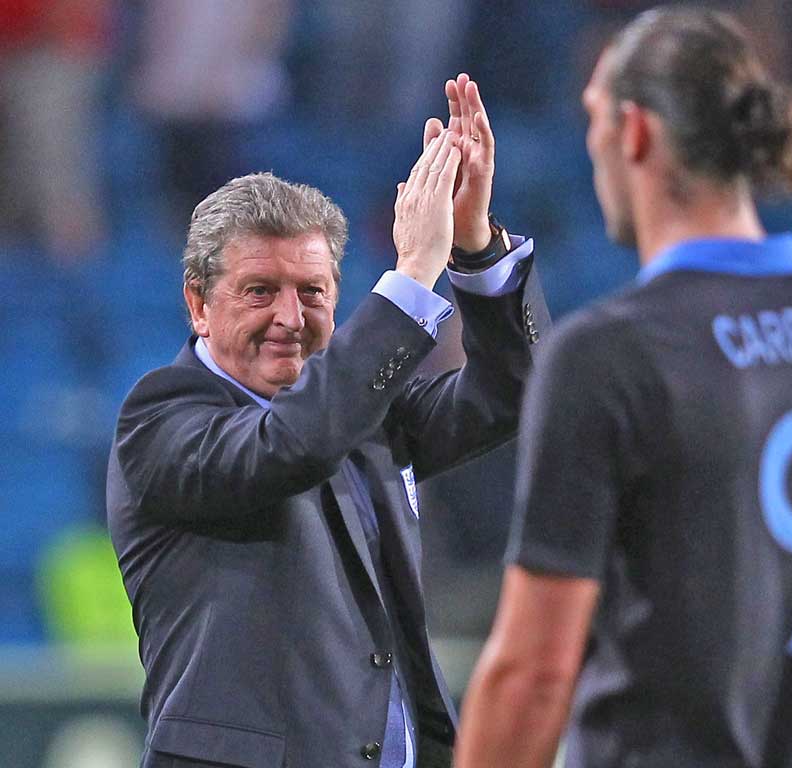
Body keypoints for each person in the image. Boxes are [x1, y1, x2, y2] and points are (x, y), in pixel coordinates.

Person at [455, 9, 792, 768]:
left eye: (594, 119)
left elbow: (533, 675)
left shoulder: (607, 354)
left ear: (637, 132)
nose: (590, 147)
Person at [107, 74, 549, 768]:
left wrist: (473, 248)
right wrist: (411, 272)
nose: (289, 318)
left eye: (311, 292)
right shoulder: (159, 421)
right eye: (259, 291)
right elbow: (294, 444)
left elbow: (516, 392)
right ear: (199, 305)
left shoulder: (367, 413)